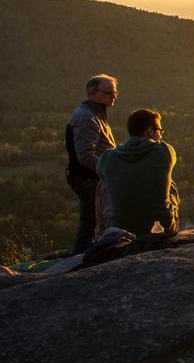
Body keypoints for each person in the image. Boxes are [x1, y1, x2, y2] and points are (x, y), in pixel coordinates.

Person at [97, 108, 180, 237]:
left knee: (103, 184)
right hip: (162, 229)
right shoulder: (165, 151)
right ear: (150, 131)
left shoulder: (108, 157)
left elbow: (100, 171)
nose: (161, 134)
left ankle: (102, 233)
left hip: (120, 229)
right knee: (170, 183)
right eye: (159, 130)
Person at [65, 74, 119, 253]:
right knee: (91, 221)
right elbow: (85, 155)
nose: (114, 96)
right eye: (109, 92)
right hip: (89, 178)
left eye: (115, 92)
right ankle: (81, 259)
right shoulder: (86, 118)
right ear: (92, 93)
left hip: (91, 177)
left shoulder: (95, 113)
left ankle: (83, 256)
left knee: (92, 220)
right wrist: (108, 171)